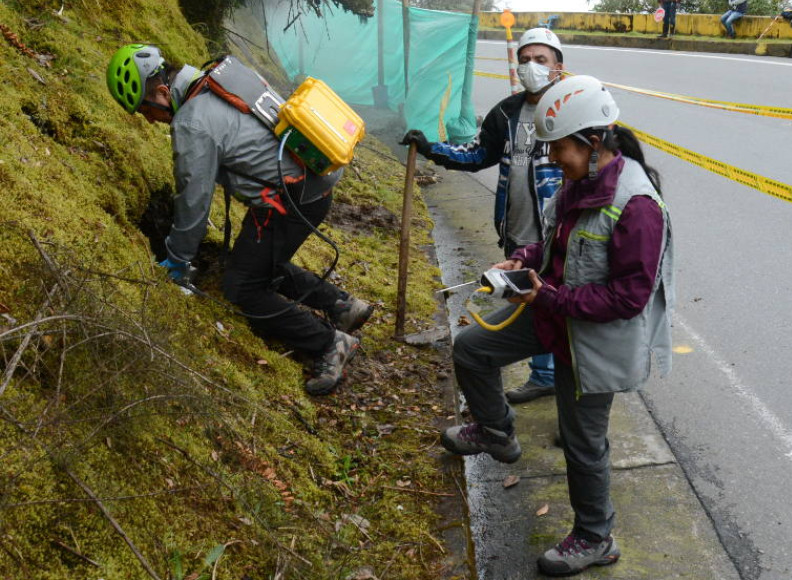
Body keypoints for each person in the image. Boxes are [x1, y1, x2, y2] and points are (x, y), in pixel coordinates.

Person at [439, 75, 675, 577]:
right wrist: (521, 260)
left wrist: (551, 295)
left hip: (590, 340)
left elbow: (630, 297)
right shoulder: (579, 181)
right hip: (551, 310)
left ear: (593, 142)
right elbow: (550, 242)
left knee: (582, 441)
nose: (552, 160)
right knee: (472, 350)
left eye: (558, 149)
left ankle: (595, 537)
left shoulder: (638, 206)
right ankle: (498, 432)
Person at [105, 44, 372, 396]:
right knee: (254, 262)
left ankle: (329, 344)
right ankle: (342, 306)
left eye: (144, 109)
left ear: (162, 92)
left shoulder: (193, 122)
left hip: (290, 200)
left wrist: (177, 259)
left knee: (242, 287)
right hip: (308, 185)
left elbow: (193, 201)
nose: (147, 118)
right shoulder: (218, 77)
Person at [401, 27, 564, 403]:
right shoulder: (506, 112)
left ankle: (563, 381)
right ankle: (543, 375)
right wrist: (431, 149)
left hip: (555, 236)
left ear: (557, 68)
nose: (531, 67)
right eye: (524, 61)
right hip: (516, 232)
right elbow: (477, 154)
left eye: (541, 60)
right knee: (528, 302)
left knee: (557, 305)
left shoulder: (568, 109)